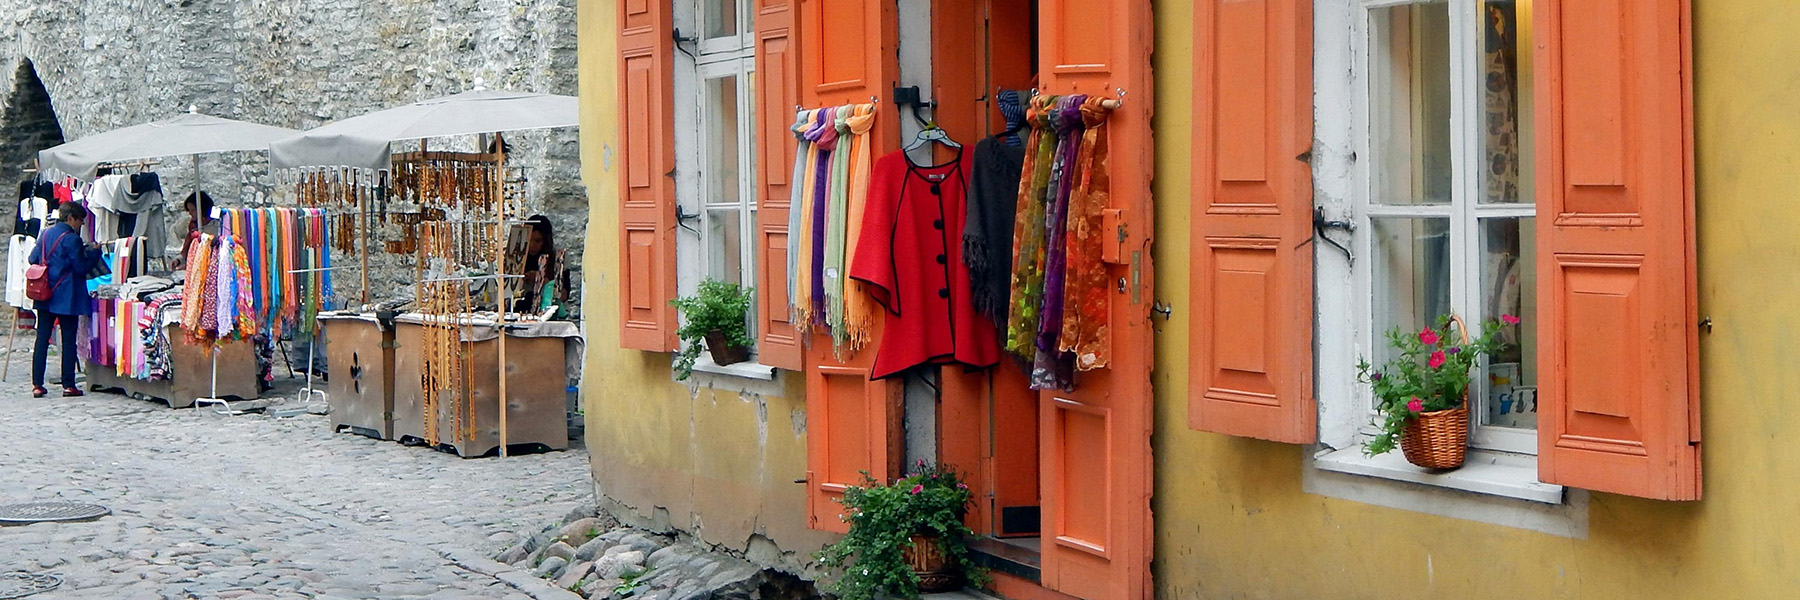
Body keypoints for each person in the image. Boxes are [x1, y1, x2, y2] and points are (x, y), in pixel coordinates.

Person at [28, 201, 100, 398]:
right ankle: (68, 384)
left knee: (42, 339)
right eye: (80, 221)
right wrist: (94, 253)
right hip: (67, 295)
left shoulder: (45, 234)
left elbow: (32, 259)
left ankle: (37, 384)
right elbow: (80, 268)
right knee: (68, 340)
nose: (81, 225)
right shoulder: (72, 239)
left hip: (45, 293)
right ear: (71, 218)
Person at [175, 191, 215, 269]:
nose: (190, 213)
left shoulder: (215, 226)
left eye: (192, 210)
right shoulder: (193, 226)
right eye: (189, 210)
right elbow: (187, 247)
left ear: (202, 209)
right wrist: (178, 260)